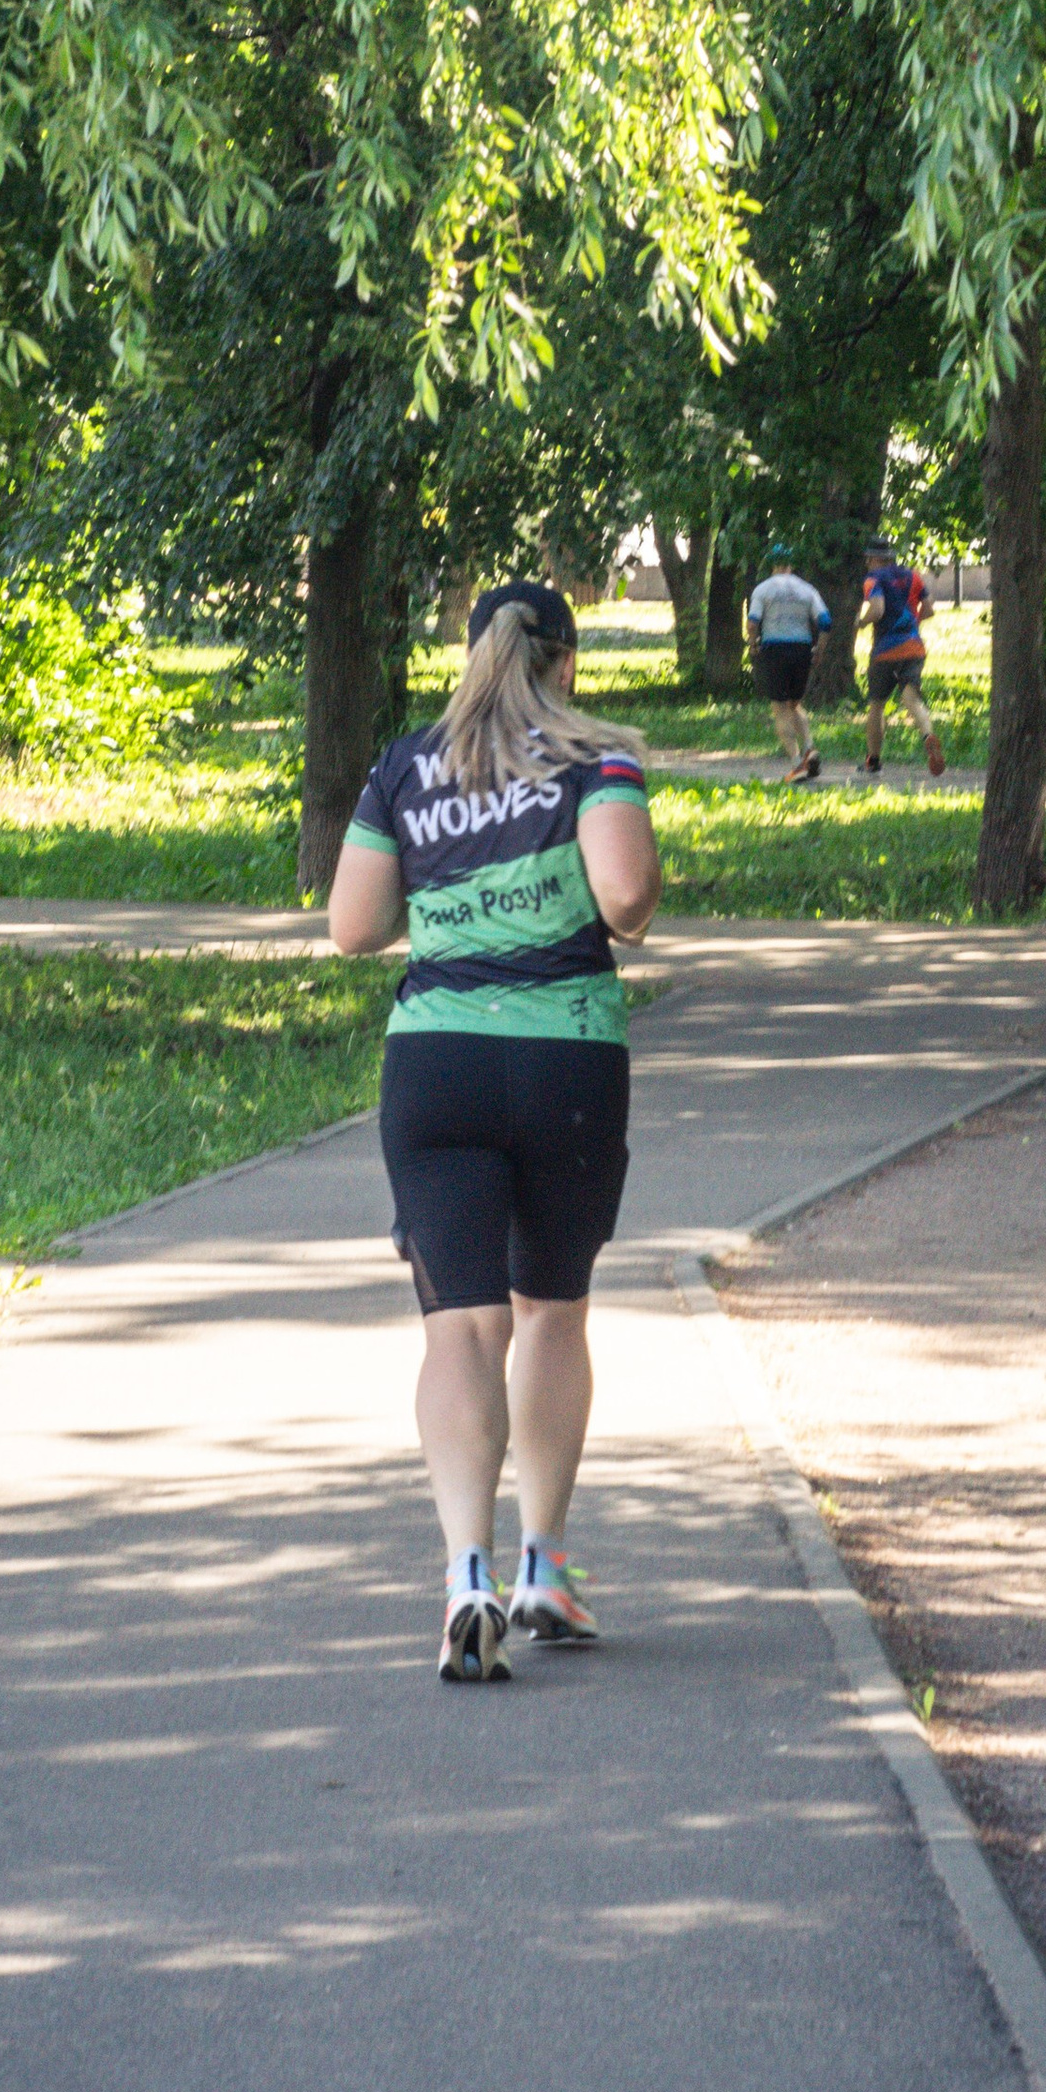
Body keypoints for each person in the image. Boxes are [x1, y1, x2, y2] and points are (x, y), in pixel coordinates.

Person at [327, 580, 661, 1684]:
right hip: (566, 1061)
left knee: (458, 1329)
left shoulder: (405, 765)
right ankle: (543, 1568)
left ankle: (464, 1573)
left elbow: (352, 928)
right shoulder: (595, 756)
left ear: (470, 657)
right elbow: (623, 898)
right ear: (565, 664)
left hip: (437, 1066)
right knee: (551, 1312)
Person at [856, 539, 946, 778]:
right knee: (911, 699)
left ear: (875, 559)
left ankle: (873, 761)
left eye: (868, 559)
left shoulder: (873, 579)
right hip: (914, 647)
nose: (866, 563)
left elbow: (877, 609)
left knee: (877, 705)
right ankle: (928, 736)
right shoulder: (913, 576)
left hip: (885, 650)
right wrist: (911, 625)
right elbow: (928, 609)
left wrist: (862, 623)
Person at [744, 549, 831, 782]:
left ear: (771, 565)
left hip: (775, 650)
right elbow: (825, 622)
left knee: (780, 708)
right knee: (794, 704)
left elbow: (753, 623)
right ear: (790, 565)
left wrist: (753, 645)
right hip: (802, 649)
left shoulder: (763, 589)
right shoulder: (807, 589)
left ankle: (796, 763)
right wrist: (819, 651)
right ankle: (810, 747)